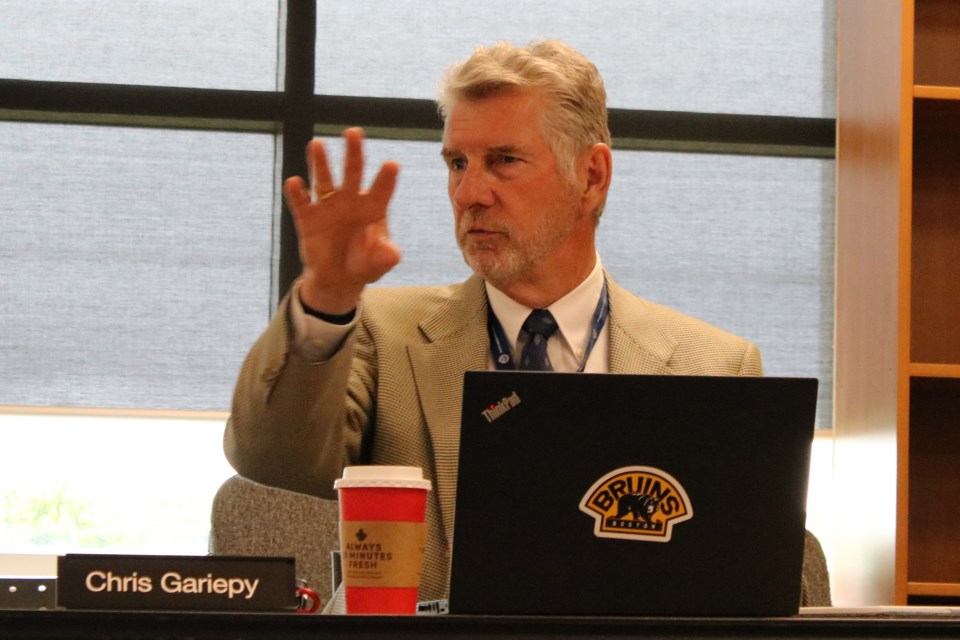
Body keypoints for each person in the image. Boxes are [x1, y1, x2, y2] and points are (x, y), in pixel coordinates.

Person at [224, 39, 762, 607]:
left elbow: (754, 582)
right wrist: (327, 294)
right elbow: (269, 455)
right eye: (457, 163)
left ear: (593, 176)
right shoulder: (383, 333)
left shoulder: (715, 367)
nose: (469, 193)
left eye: (503, 160)